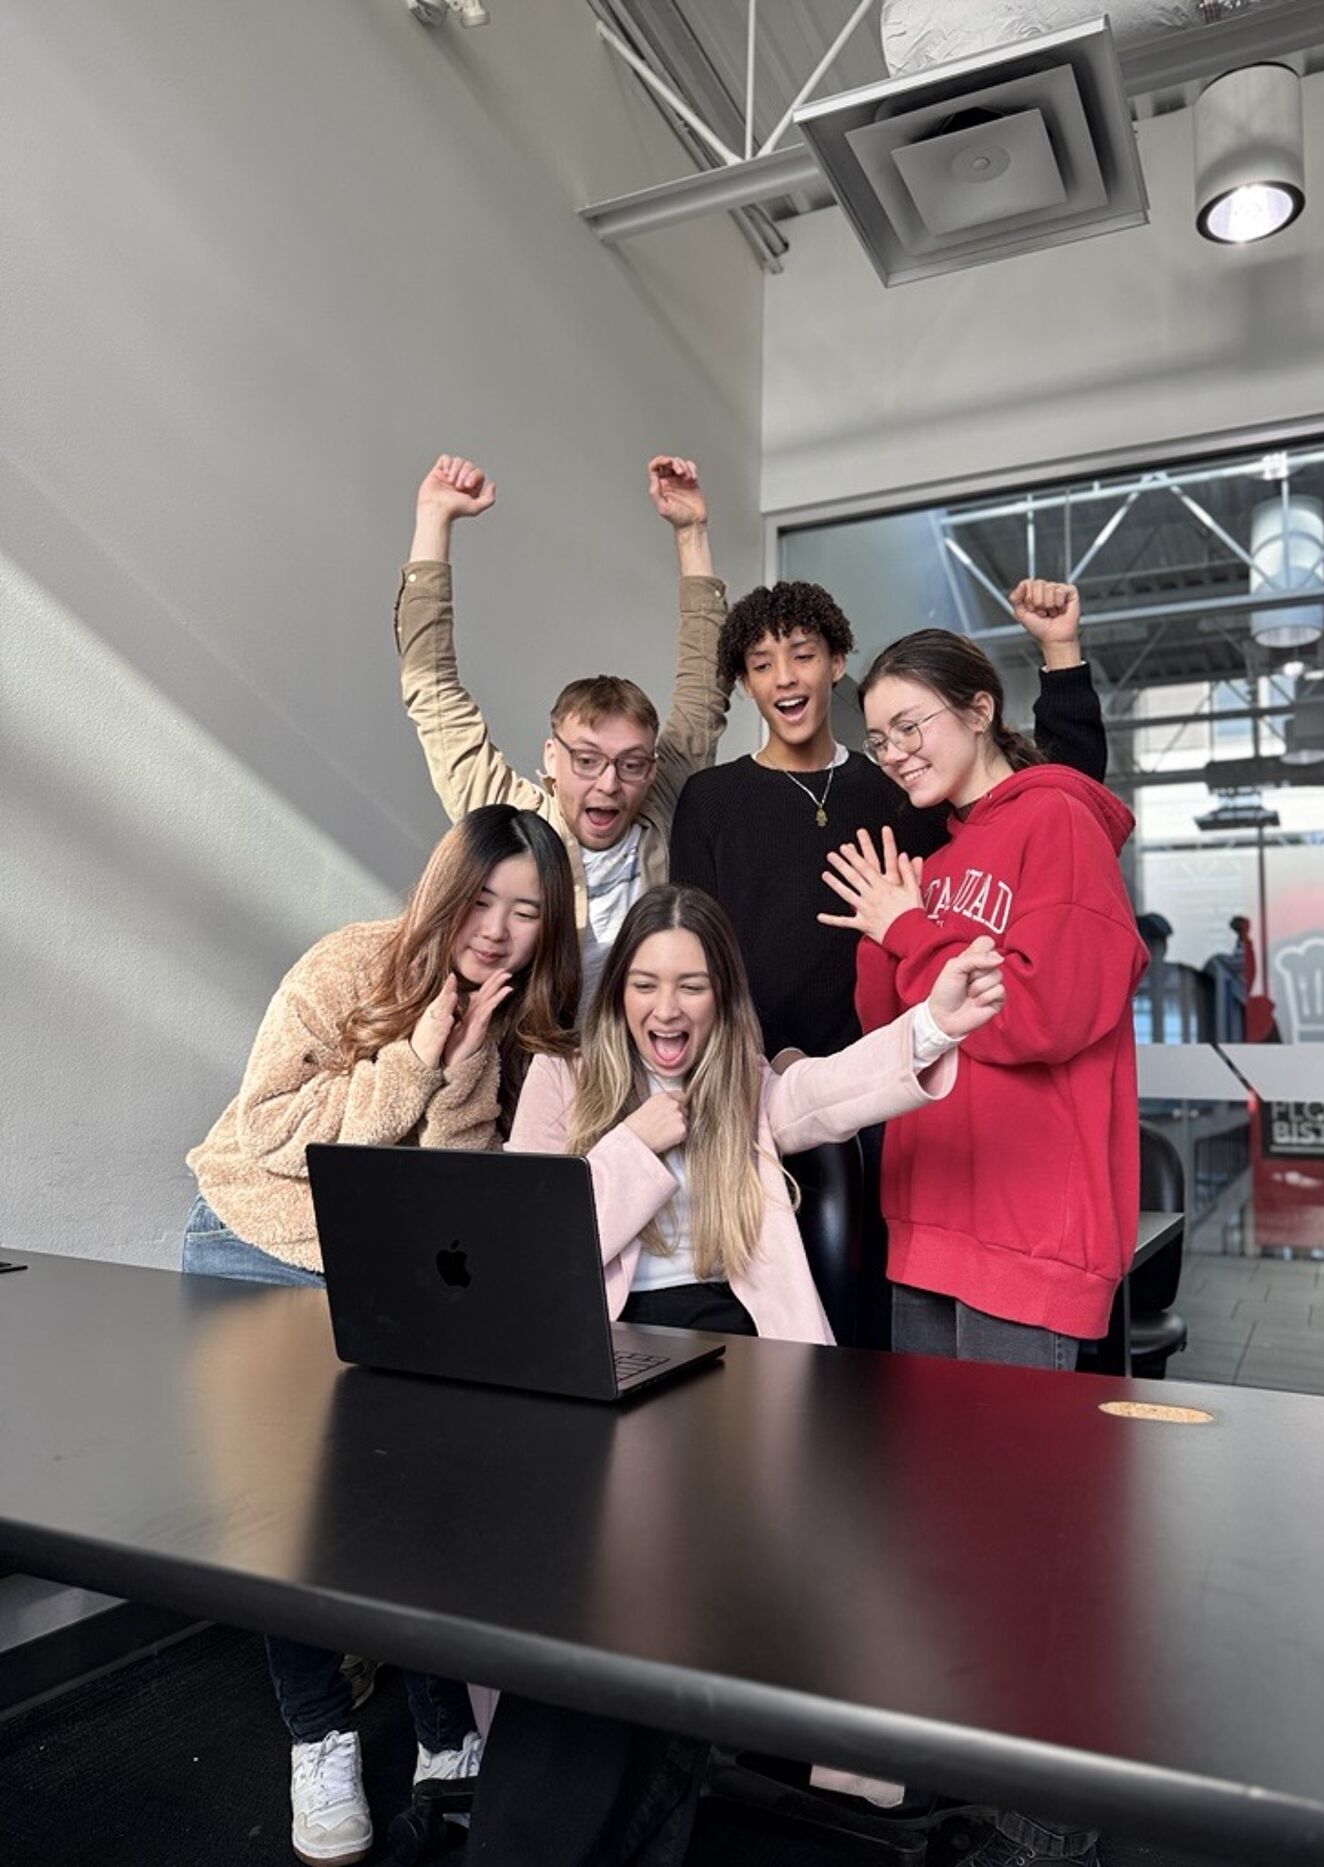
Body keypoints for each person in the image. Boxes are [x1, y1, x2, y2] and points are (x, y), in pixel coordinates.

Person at [462, 882, 1007, 1866]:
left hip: (742, 1368)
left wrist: (929, 1023)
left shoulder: (742, 1081)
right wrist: (634, 1144)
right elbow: (528, 1250)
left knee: (658, 1575)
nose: (665, 1008)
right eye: (643, 983)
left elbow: (832, 1091)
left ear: (721, 997)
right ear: (615, 990)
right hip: (606, 1356)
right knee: (592, 1576)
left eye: (690, 986)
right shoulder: (563, 1079)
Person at [183, 804, 579, 1867]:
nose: (496, 929)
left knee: (415, 1498)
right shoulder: (348, 965)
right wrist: (415, 1049)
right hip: (254, 1238)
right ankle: (321, 1736)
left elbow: (442, 1182)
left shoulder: (507, 1008)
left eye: (526, 911)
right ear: (444, 887)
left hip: (377, 1265)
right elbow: (269, 1134)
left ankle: (444, 1737)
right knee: (284, 1521)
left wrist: (461, 1058)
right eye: (482, 898)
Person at [820, 601, 1146, 1867]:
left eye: (910, 724)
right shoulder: (932, 849)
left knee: (1026, 1533)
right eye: (880, 736)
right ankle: (971, 1773)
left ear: (978, 710)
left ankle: (1047, 1828)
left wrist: (909, 932)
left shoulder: (1057, 823)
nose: (893, 749)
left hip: (1030, 1222)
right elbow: (895, 1030)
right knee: (948, 1526)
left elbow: (1049, 1009)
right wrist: (885, 931)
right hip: (929, 1216)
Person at [669, 575, 1108, 1061]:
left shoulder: (905, 790)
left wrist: (1061, 655)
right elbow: (691, 954)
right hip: (752, 1078)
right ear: (747, 685)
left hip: (894, 1074)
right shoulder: (709, 799)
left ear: (836, 664)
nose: (785, 676)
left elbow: (1054, 795)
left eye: (803, 655)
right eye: (761, 664)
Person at [397, 452, 731, 1006]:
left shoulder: (662, 801)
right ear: (552, 758)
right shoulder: (516, 822)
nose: (608, 785)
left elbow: (706, 683)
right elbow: (434, 696)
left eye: (630, 764)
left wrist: (692, 531)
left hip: (642, 1058)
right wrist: (434, 520)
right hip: (534, 1064)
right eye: (587, 760)